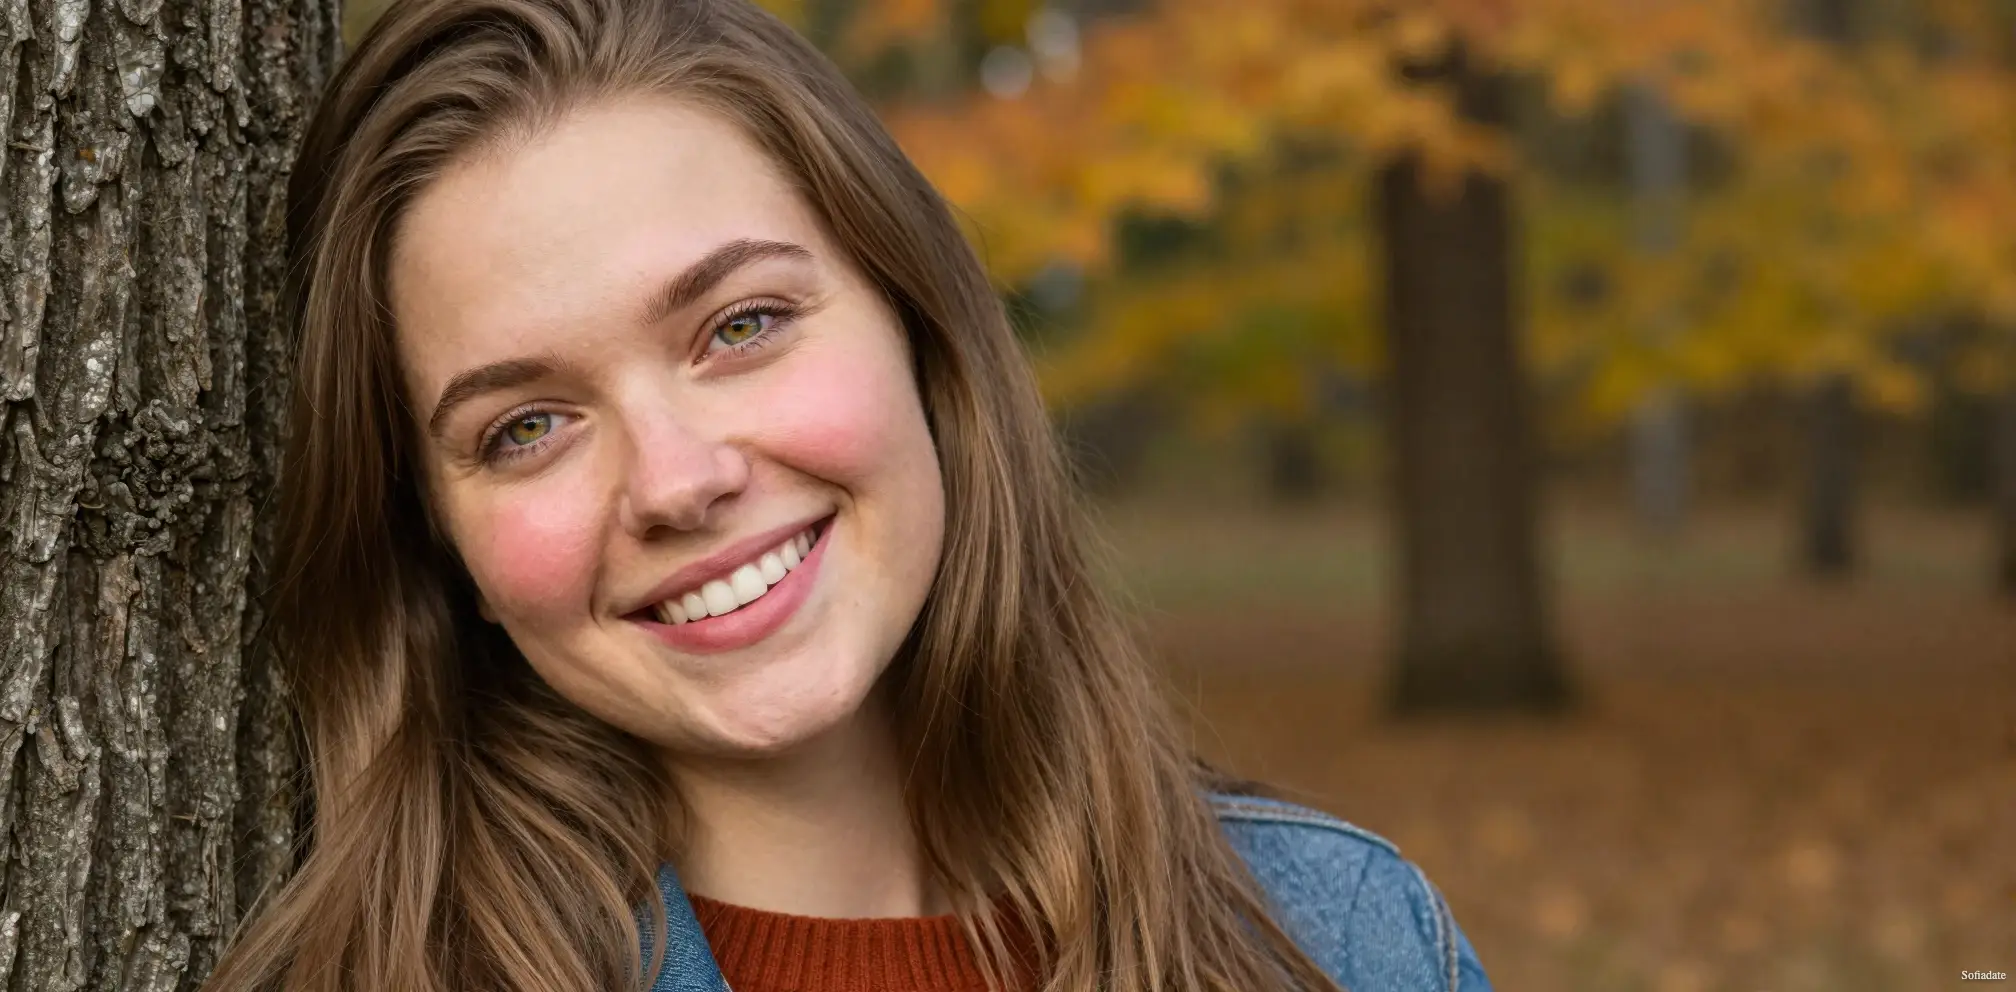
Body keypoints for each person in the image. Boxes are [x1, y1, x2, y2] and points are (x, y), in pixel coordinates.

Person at [204, 0, 1494, 988]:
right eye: (527, 427)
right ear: (442, 549)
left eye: (742, 324)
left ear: (918, 329)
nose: (677, 481)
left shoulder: (1345, 941)